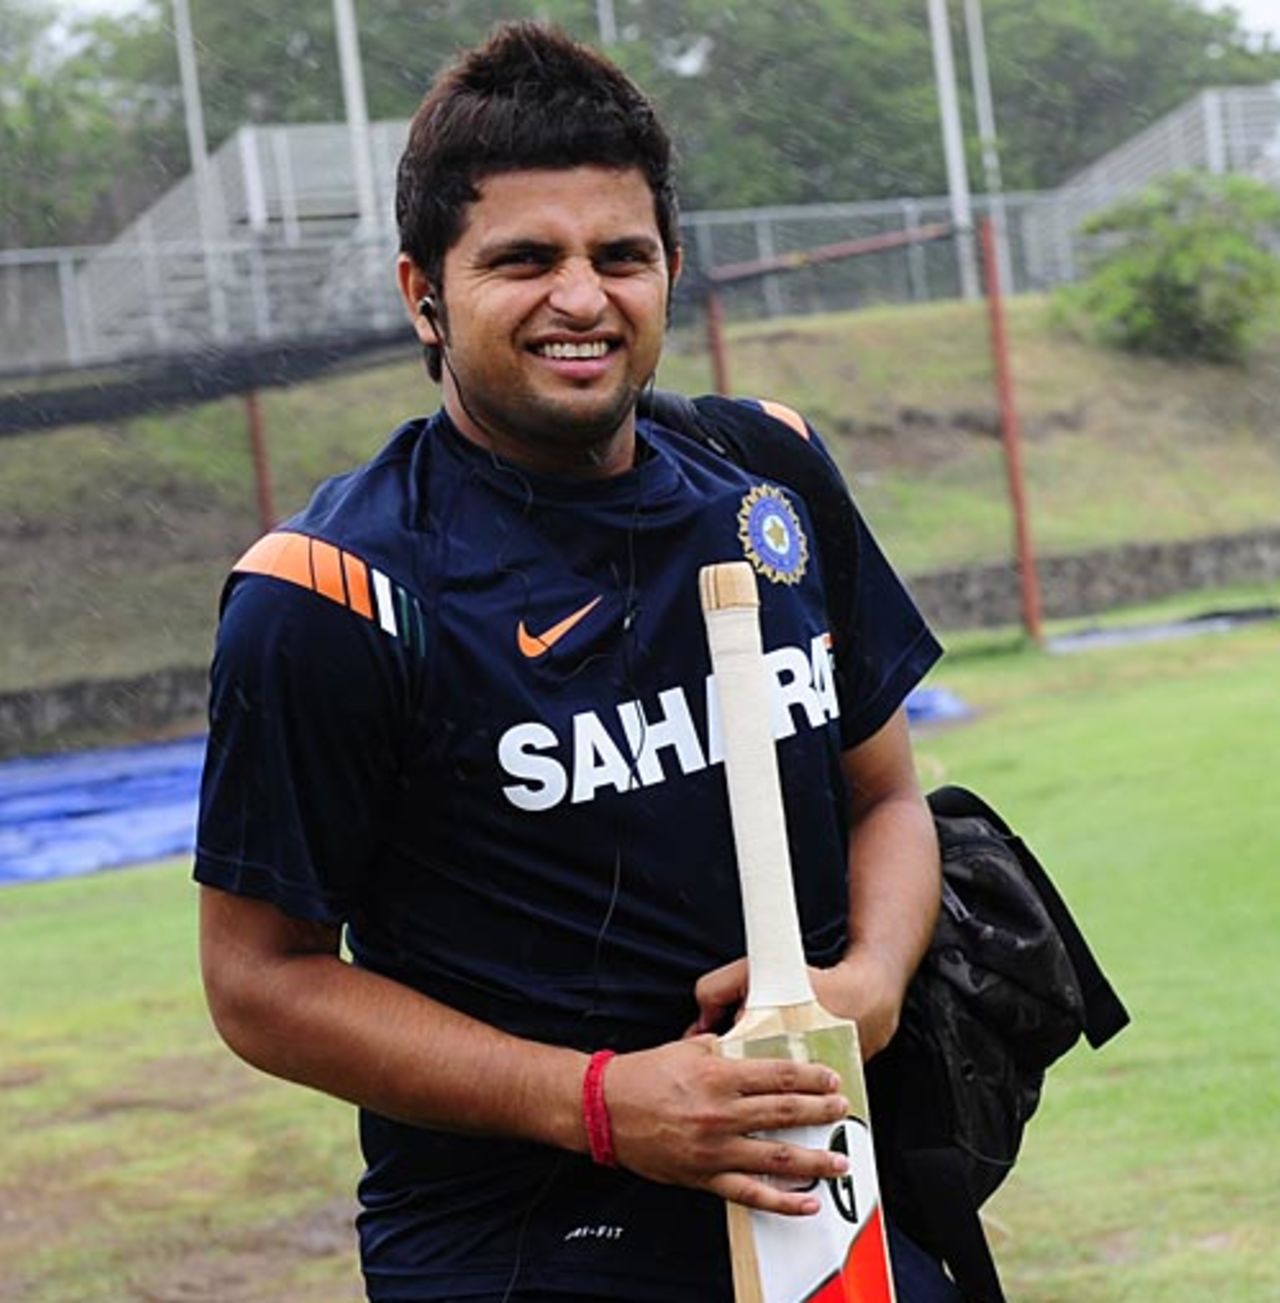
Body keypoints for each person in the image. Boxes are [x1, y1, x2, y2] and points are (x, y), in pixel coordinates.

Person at [195, 21, 954, 1303]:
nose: (582, 297)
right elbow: (258, 982)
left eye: (621, 254)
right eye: (522, 259)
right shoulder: (326, 591)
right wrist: (603, 1103)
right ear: (419, 291)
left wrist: (865, 985)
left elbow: (884, 795)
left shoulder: (766, 470)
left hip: (819, 1186)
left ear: (667, 271)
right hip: (522, 1233)